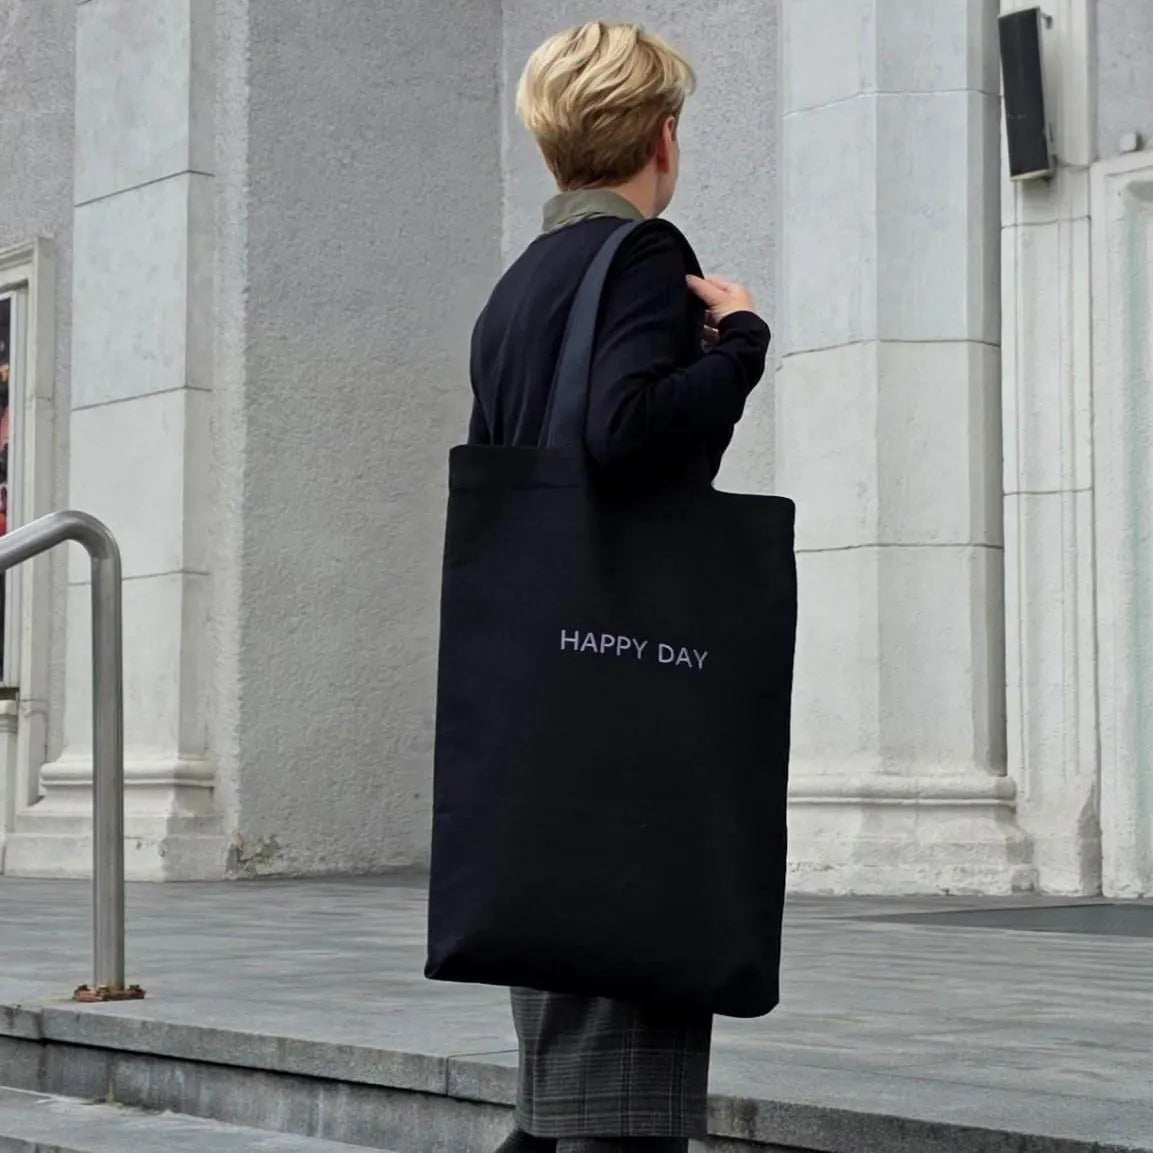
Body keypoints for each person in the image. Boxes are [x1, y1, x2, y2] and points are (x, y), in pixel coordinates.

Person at [467, 21, 772, 1153]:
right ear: (662, 135)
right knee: (617, 1107)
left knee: (563, 1096)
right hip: (625, 707)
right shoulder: (643, 256)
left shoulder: (520, 286)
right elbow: (624, 430)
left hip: (542, 711)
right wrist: (736, 345)